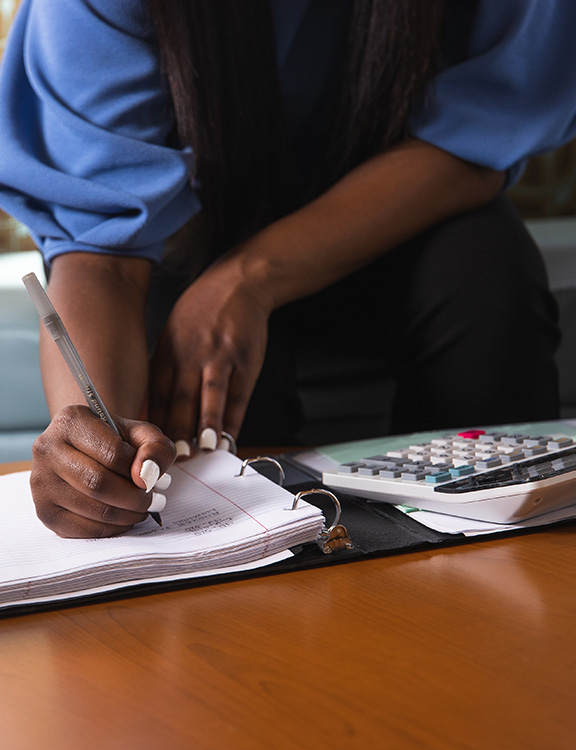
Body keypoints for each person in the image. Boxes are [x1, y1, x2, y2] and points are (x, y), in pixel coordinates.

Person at [1, 0, 576, 538]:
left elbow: (486, 133)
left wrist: (250, 278)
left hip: (405, 223)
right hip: (189, 246)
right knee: (185, 376)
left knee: (486, 274)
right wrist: (95, 450)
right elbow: (104, 247)